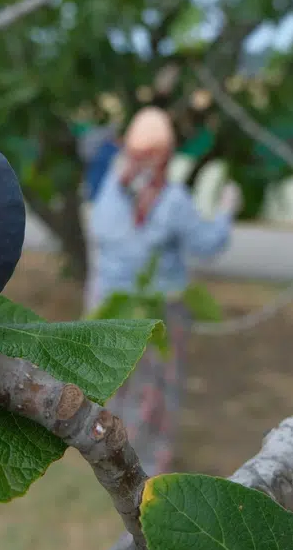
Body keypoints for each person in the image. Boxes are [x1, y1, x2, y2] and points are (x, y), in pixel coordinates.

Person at [84, 106, 242, 475]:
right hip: (156, 313)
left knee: (114, 382)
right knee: (155, 390)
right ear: (167, 155)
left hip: (106, 306)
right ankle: (147, 465)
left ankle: (108, 453)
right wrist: (226, 209)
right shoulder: (172, 200)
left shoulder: (109, 188)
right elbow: (207, 243)